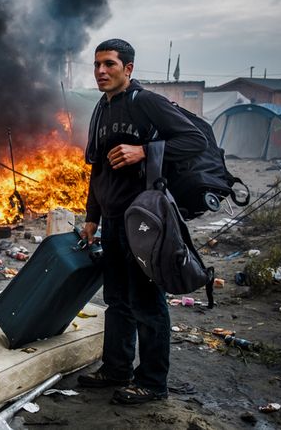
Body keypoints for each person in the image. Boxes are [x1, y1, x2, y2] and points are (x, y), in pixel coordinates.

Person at [77, 39, 207, 405]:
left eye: (110, 65)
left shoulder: (145, 102)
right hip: (113, 222)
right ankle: (115, 368)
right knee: (117, 299)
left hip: (145, 222)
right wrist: (91, 218)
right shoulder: (101, 109)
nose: (101, 71)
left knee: (147, 301)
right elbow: (97, 168)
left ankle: (151, 381)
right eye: (97, 65)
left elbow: (194, 140)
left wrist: (145, 151)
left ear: (128, 69)